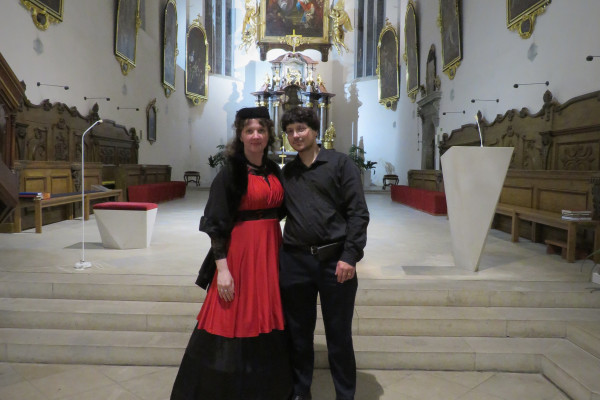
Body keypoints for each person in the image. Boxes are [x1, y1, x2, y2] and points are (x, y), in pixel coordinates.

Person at [170, 106, 292, 400]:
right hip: (240, 254)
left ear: (268, 135)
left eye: (261, 130)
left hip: (269, 251)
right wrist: (222, 270)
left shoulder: (274, 169)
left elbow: (283, 210)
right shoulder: (230, 173)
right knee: (233, 314)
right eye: (249, 131)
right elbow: (215, 224)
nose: (255, 136)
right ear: (240, 135)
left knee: (266, 312)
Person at [279, 107, 369, 400]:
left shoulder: (341, 164)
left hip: (335, 261)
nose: (295, 135)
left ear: (315, 130)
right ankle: (300, 392)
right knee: (298, 334)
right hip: (295, 261)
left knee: (338, 336)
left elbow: (358, 213)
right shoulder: (287, 173)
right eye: (290, 131)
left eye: (301, 129)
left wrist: (350, 256)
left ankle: (345, 395)